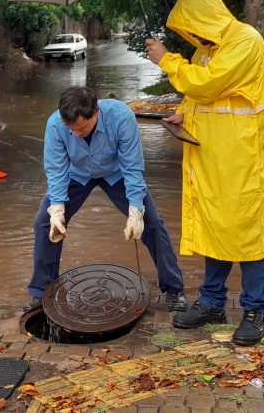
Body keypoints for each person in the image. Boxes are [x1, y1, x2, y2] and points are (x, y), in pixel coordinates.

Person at [144, 0, 264, 346]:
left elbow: (207, 83)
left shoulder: (245, 41)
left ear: (206, 18)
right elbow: (202, 98)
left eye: (193, 27)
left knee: (247, 233)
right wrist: (183, 114)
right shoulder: (207, 49)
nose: (193, 36)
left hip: (240, 161)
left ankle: (256, 311)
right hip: (210, 158)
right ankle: (212, 303)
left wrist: (167, 59)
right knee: (214, 228)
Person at [24, 87, 188, 313]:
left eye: (82, 128)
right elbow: (56, 170)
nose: (77, 134)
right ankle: (42, 291)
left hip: (116, 173)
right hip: (76, 174)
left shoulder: (121, 117)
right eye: (71, 130)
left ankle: (174, 288)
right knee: (44, 224)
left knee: (151, 222)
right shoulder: (55, 124)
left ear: (96, 113)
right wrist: (57, 209)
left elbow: (132, 167)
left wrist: (135, 211)